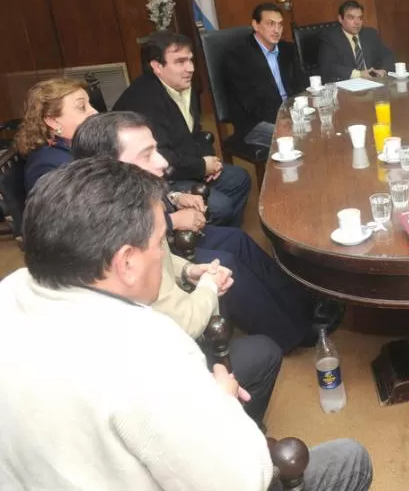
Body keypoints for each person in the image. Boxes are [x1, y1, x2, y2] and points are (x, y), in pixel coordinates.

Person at [0, 158, 373, 491]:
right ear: (126, 262)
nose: (165, 253)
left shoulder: (10, 291)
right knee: (350, 458)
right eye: (159, 242)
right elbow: (243, 479)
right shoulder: (149, 345)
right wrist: (221, 403)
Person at [72, 111, 320, 355]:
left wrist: (176, 200)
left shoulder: (129, 194)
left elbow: (167, 253)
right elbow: (177, 309)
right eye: (147, 155)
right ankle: (292, 335)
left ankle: (302, 305)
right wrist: (199, 271)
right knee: (227, 263)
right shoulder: (115, 227)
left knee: (237, 239)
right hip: (173, 262)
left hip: (174, 250)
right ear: (109, 167)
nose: (163, 162)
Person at [114, 31, 251, 227]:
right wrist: (202, 166)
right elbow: (163, 158)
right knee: (220, 206)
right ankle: (201, 238)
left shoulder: (184, 85)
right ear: (157, 66)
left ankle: (225, 234)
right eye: (180, 62)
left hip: (184, 162)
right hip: (158, 178)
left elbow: (196, 132)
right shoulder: (144, 101)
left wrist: (210, 160)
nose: (191, 68)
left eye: (191, 60)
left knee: (239, 179)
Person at [225, 2, 307, 148]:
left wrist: (296, 112)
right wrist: (285, 117)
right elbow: (251, 103)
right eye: (270, 24)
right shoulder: (238, 56)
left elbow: (301, 84)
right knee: (299, 139)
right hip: (256, 122)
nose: (277, 30)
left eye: (280, 25)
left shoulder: (287, 49)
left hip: (290, 114)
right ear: (255, 25)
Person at [16, 78, 98, 193]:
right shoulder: (49, 168)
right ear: (53, 121)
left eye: (90, 104)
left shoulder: (73, 146)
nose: (95, 112)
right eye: (82, 107)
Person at [316, 0, 395, 82]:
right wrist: (359, 74)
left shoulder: (370, 34)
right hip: (347, 85)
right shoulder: (330, 38)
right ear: (340, 19)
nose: (357, 22)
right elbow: (329, 66)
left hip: (373, 82)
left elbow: (387, 54)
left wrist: (383, 70)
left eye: (360, 18)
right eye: (351, 18)